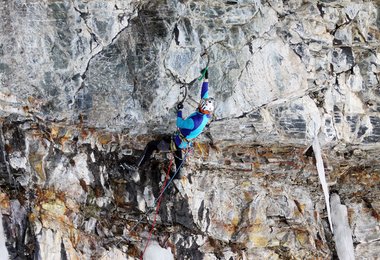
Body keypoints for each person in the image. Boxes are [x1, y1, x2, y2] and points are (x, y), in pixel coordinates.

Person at [136, 68, 214, 178]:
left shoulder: (195, 121)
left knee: (151, 145)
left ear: (202, 108)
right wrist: (206, 78)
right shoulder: (207, 114)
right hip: (184, 141)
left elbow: (179, 123)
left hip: (178, 141)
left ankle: (137, 166)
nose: (199, 105)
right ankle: (177, 174)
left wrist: (180, 110)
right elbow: (204, 94)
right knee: (177, 150)